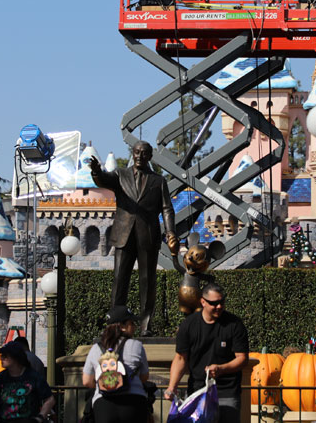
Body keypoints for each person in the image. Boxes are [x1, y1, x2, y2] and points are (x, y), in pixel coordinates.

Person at [88, 140, 179, 334]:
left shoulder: (158, 181)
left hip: (148, 236)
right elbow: (103, 180)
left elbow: (167, 208)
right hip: (124, 234)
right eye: (136, 152)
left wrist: (170, 231)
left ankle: (145, 325)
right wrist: (96, 171)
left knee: (148, 281)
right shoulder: (121, 175)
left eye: (144, 153)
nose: (139, 156)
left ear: (149, 157)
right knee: (120, 279)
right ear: (133, 153)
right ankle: (115, 324)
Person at [166, 284, 249, 423]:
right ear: (202, 302)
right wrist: (171, 387)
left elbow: (242, 358)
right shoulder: (189, 325)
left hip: (226, 392)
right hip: (197, 392)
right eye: (214, 303)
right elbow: (180, 358)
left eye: (221, 302)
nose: (219, 306)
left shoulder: (234, 324)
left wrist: (221, 369)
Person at [82, 306, 149, 423]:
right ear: (122, 326)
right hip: (134, 402)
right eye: (131, 323)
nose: (134, 326)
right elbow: (144, 376)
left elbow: (86, 381)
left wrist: (107, 383)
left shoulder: (95, 349)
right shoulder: (137, 345)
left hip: (104, 404)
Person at [0, 341, 54, 423]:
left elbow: (50, 399)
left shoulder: (34, 377)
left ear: (16, 357)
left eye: (5, 356)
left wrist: (39, 417)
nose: (1, 358)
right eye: (1, 355)